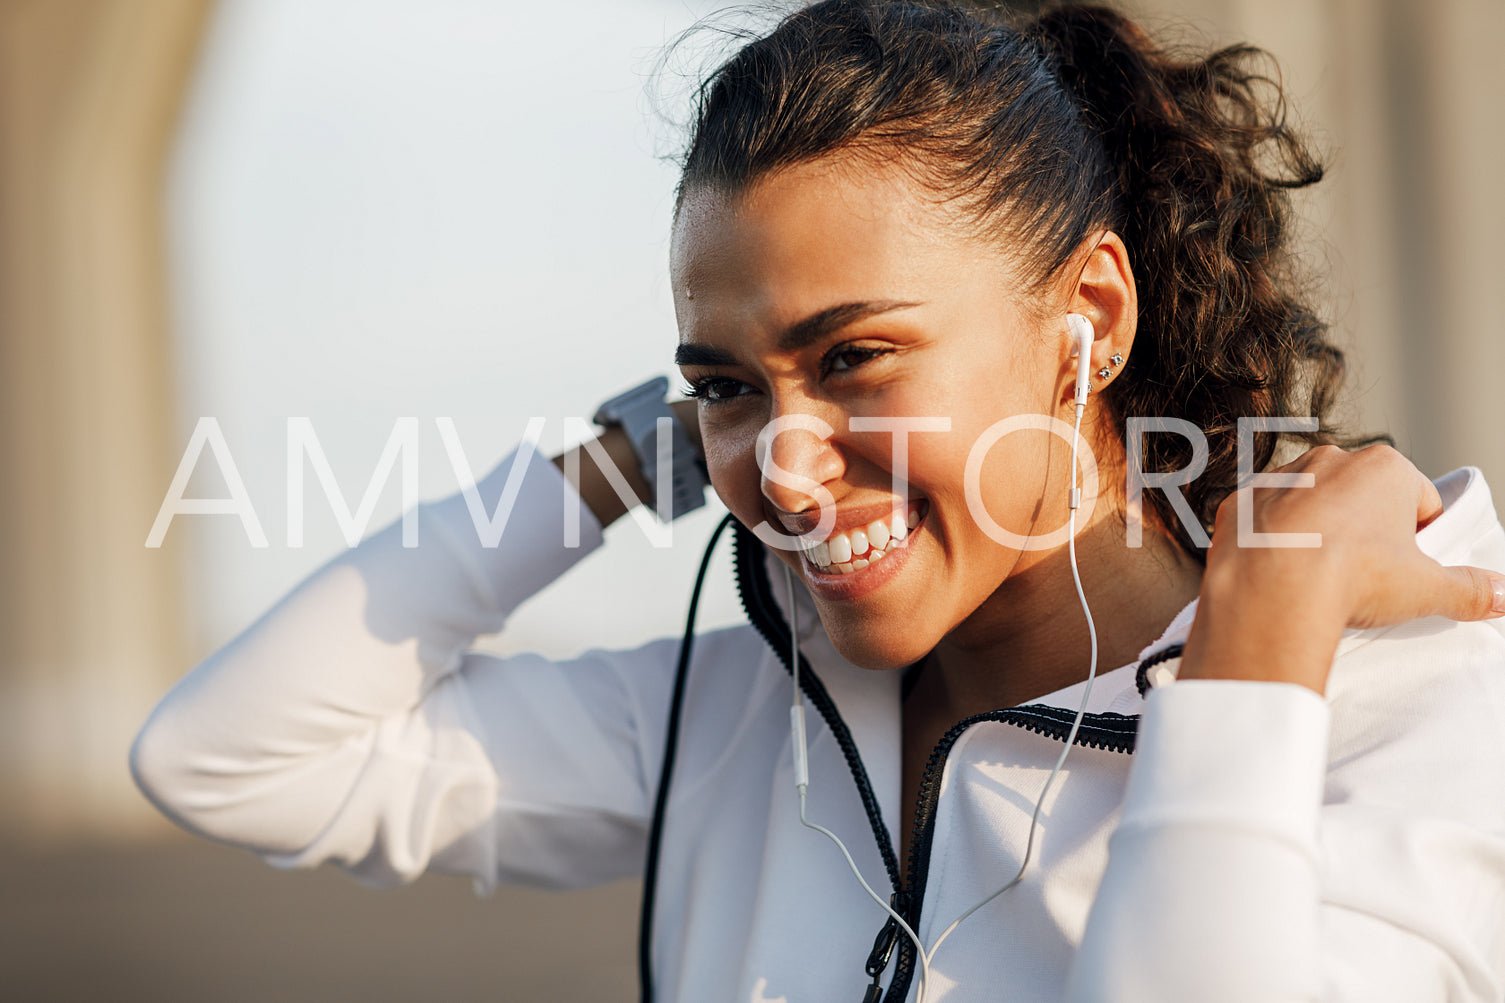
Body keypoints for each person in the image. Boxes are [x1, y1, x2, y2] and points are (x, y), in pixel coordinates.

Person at [130, 2, 1505, 1000]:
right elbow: (227, 756)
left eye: (853, 358)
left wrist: (1260, 637)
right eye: (726, 386)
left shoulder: (1416, 719)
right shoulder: (735, 717)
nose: (777, 469)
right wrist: (626, 460)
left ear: (1086, 315)